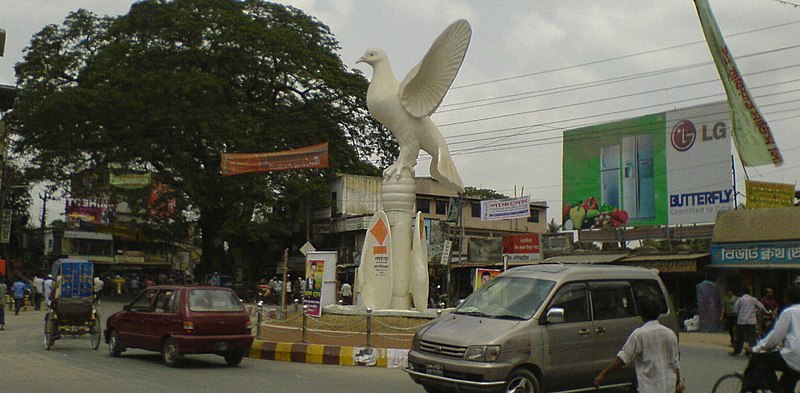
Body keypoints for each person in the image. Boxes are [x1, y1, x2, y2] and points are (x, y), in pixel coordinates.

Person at [593, 297, 682, 393]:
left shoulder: (639, 335)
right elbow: (675, 363)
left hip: (649, 388)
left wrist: (603, 374)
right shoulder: (670, 333)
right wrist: (678, 385)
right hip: (668, 388)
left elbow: (623, 358)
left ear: (641, 314)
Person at [747, 285, 800, 393]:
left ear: (788, 298)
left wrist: (756, 348)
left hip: (793, 356)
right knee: (787, 386)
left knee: (761, 360)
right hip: (796, 361)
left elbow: (776, 335)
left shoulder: (789, 312)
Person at [732, 287, 769, 356]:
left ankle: (737, 351)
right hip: (751, 322)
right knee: (752, 338)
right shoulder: (753, 299)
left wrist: (739, 314)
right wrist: (765, 312)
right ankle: (753, 352)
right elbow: (761, 307)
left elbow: (735, 310)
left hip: (741, 321)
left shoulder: (740, 300)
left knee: (740, 337)